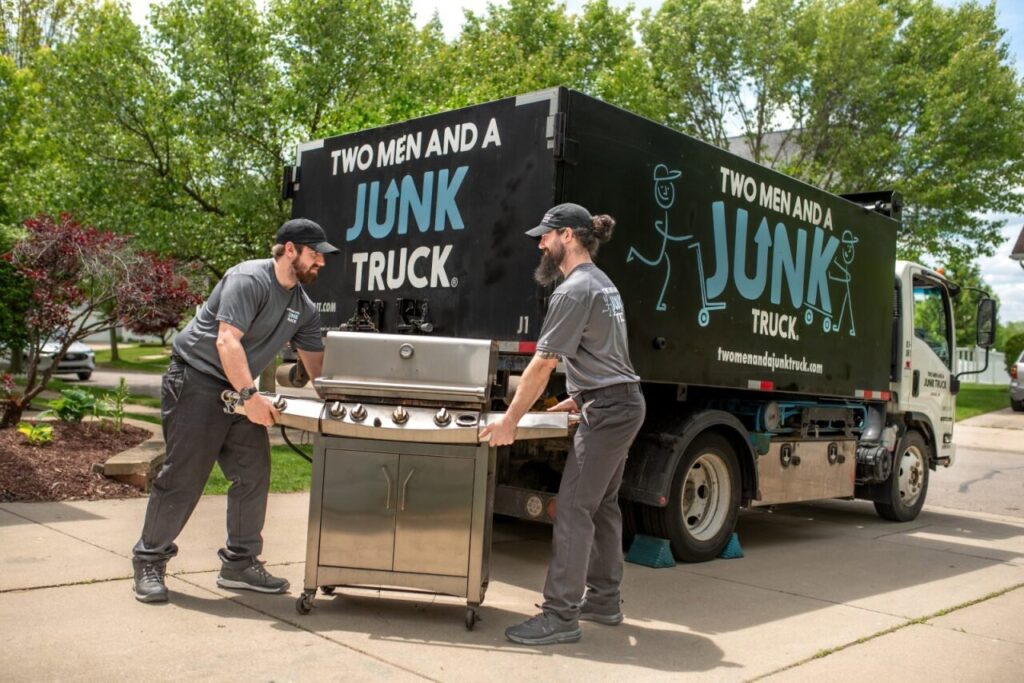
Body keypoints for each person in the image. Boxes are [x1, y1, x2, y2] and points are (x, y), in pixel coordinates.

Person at [131, 218, 339, 603]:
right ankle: (149, 559)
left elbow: (317, 367)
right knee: (184, 477)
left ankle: (239, 564)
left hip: (238, 390)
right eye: (315, 255)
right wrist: (249, 396)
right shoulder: (249, 279)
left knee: (253, 474)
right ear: (290, 249)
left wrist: (339, 402)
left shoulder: (302, 306)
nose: (321, 263)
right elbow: (227, 341)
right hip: (196, 380)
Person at [480, 202, 646, 645]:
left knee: (573, 508)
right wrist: (578, 396)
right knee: (602, 505)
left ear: (568, 236)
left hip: (609, 412)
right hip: (619, 403)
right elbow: (608, 355)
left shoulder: (573, 290)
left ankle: (560, 616)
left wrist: (510, 421)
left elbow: (542, 364)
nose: (540, 244)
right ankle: (604, 600)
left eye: (546, 236)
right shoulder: (602, 284)